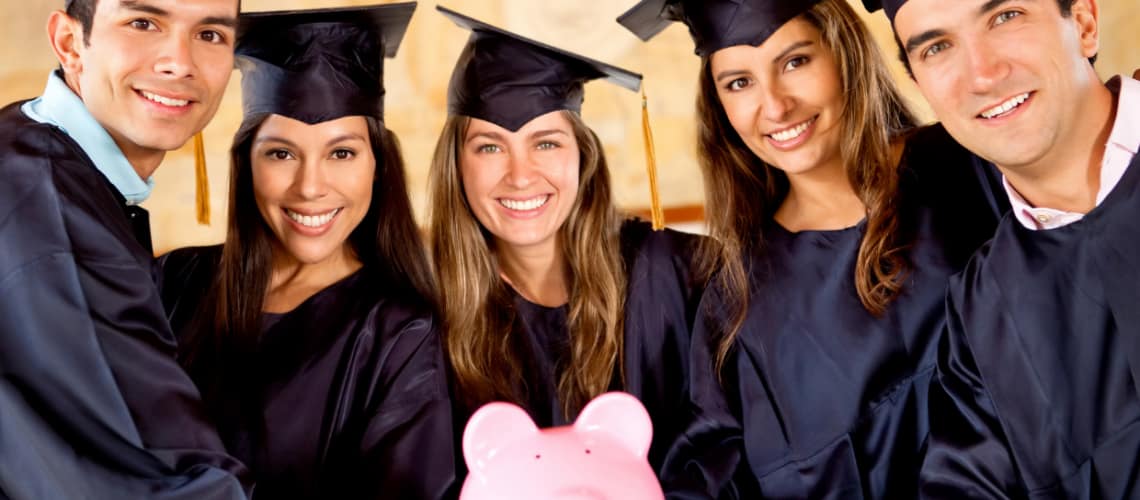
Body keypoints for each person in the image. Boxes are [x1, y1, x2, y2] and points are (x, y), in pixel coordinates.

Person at [618, 0, 1007, 497]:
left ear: (843, 56)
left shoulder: (970, 163)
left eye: (796, 62)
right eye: (739, 83)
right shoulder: (737, 299)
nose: (776, 106)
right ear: (719, 107)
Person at [158, 4, 455, 498]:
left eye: (342, 152)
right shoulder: (175, 280)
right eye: (281, 153)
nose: (310, 187)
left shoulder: (401, 331)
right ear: (246, 163)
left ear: (378, 165)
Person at [427, 6, 724, 496]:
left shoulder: (679, 276)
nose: (520, 175)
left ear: (582, 157)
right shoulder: (422, 314)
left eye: (546, 143)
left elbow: (721, 451)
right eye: (489, 147)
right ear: (456, 166)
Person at [882, 0, 1140, 496]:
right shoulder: (982, 312)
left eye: (1005, 17)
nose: (983, 74)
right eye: (937, 48)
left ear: (1083, 22)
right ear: (921, 89)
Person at [0, 0, 250, 498]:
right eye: (143, 23)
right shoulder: (56, 218)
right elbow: (151, 478)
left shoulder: (25, 143)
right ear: (71, 43)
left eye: (210, 34)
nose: (180, 62)